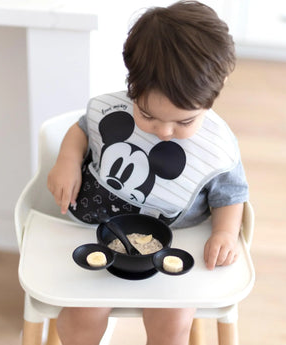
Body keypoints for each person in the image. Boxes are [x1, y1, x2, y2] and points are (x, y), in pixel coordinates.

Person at [47, 1, 249, 344]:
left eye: (184, 121)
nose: (164, 131)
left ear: (215, 93)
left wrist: (226, 234)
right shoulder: (114, 108)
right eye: (148, 116)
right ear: (133, 84)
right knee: (78, 316)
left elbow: (230, 194)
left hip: (175, 245)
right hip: (101, 233)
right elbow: (83, 128)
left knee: (172, 322)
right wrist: (67, 159)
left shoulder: (216, 146)